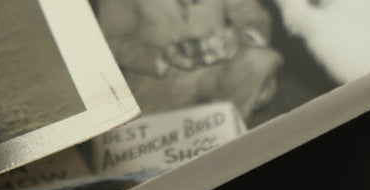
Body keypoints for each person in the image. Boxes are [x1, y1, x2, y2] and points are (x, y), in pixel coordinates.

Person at [96, 0, 284, 123]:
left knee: (260, 60)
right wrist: (164, 56)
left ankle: (227, 135)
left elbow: (253, 15)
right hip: (158, 83)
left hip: (215, 70)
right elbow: (111, 42)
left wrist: (239, 37)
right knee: (162, 156)